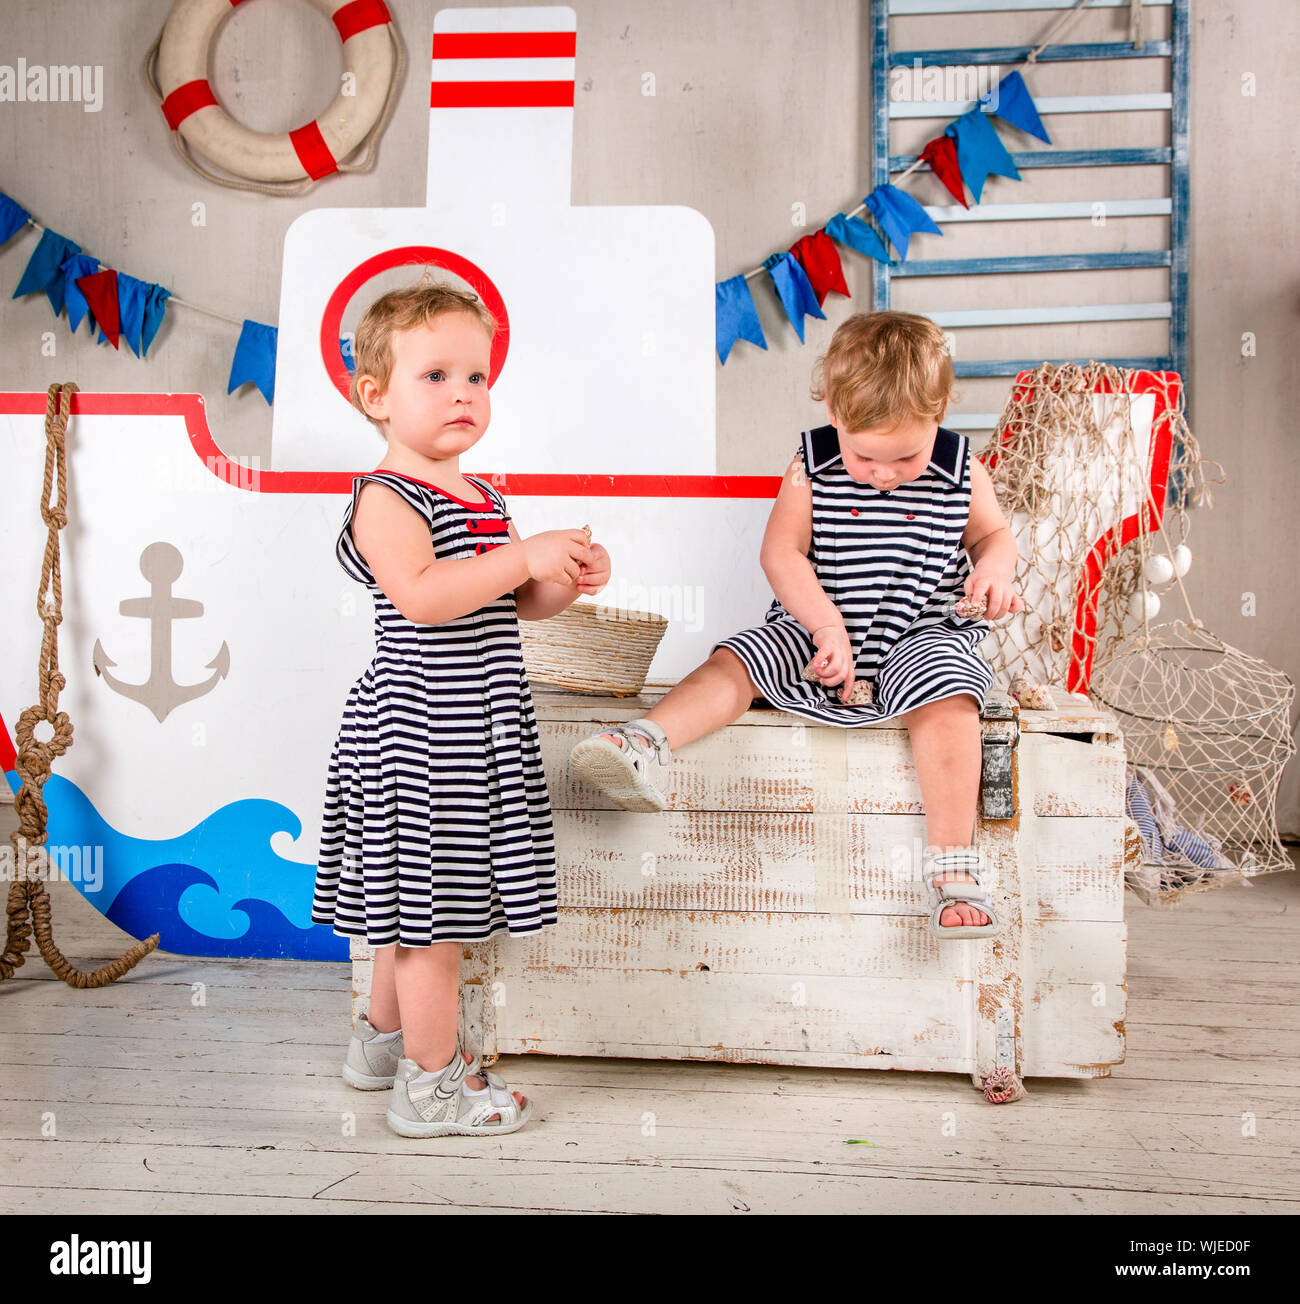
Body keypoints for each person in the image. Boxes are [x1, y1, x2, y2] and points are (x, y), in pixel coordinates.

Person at [568, 310, 1022, 938]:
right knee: (738, 659)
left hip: (919, 630)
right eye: (866, 457)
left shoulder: (961, 469)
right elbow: (781, 553)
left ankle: (950, 864)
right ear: (835, 415)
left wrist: (995, 569)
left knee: (952, 700)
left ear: (938, 418)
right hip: (814, 625)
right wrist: (826, 626)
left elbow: (993, 534)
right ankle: (644, 741)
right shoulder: (810, 467)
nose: (885, 475)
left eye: (906, 457)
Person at [311, 276, 609, 1135]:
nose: (464, 394)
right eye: (435, 376)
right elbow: (426, 596)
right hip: (420, 735)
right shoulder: (386, 497)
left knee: (412, 907)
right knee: (429, 928)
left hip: (479, 731)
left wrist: (564, 577)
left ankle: (378, 1043)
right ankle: (433, 1086)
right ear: (376, 397)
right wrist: (523, 556)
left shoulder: (483, 497)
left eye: (476, 377)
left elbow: (510, 606)